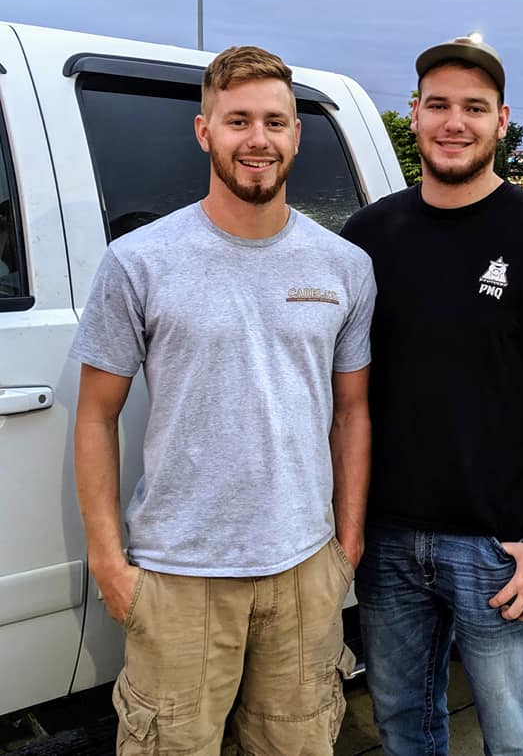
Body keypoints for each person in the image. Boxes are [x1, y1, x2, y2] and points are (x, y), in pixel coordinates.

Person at [70, 45, 374, 754]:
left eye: (275, 121)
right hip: (178, 578)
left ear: (297, 133)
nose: (258, 140)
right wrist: (108, 563)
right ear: (205, 131)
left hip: (304, 571)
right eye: (238, 121)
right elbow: (94, 415)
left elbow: (353, 411)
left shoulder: (344, 266)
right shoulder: (139, 261)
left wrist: (346, 546)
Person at [339, 35, 523, 755]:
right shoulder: (368, 236)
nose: (453, 122)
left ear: (501, 121)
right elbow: (347, 395)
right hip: (387, 543)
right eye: (438, 105)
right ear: (414, 115)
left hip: (503, 548)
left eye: (473, 107)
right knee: (405, 729)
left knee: (519, 742)